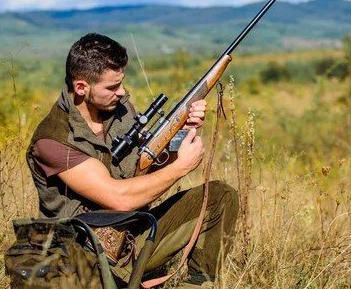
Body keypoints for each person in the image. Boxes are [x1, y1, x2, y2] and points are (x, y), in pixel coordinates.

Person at [26, 33, 239, 288]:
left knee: (220, 196)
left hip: (132, 237)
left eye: (121, 82)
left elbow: (145, 167)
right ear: (81, 87)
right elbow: (119, 198)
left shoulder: (119, 110)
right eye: (112, 87)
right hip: (80, 259)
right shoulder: (53, 140)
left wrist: (181, 132)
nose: (122, 92)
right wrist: (181, 167)